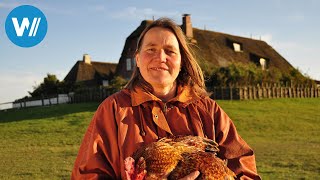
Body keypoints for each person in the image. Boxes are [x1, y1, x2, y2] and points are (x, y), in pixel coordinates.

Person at [71, 18, 261, 180]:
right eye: (151, 49)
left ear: (182, 61)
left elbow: (245, 169)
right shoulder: (113, 110)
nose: (160, 57)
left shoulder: (208, 110)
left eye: (170, 51)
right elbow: (87, 175)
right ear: (137, 59)